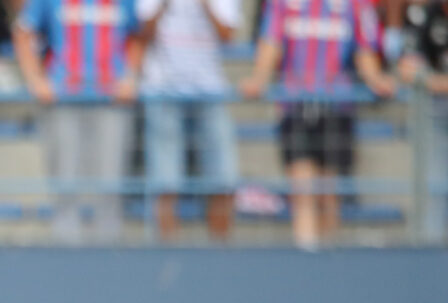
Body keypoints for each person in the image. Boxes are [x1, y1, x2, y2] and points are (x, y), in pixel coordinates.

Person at [241, 0, 393, 249]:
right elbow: (271, 41)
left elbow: (365, 50)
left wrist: (376, 79)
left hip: (337, 106)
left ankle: (328, 265)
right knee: (302, 192)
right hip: (295, 104)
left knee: (329, 195)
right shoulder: (283, 4)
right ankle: (307, 261)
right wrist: (259, 77)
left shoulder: (354, 4)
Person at [13, 0, 143, 243]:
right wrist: (36, 80)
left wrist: (131, 77)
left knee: (111, 185)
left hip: (111, 101)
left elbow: (138, 35)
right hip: (64, 100)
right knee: (65, 184)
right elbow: (23, 31)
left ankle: (109, 255)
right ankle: (66, 257)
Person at [137, 0, 240, 241]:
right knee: (165, 179)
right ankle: (167, 247)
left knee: (223, 177)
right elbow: (143, 32)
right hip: (163, 88)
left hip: (210, 88)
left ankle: (220, 250)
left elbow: (228, 35)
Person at [399, 0, 448, 242]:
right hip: (436, 113)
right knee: (434, 187)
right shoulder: (425, 15)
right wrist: (438, 83)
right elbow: (407, 69)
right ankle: (429, 245)